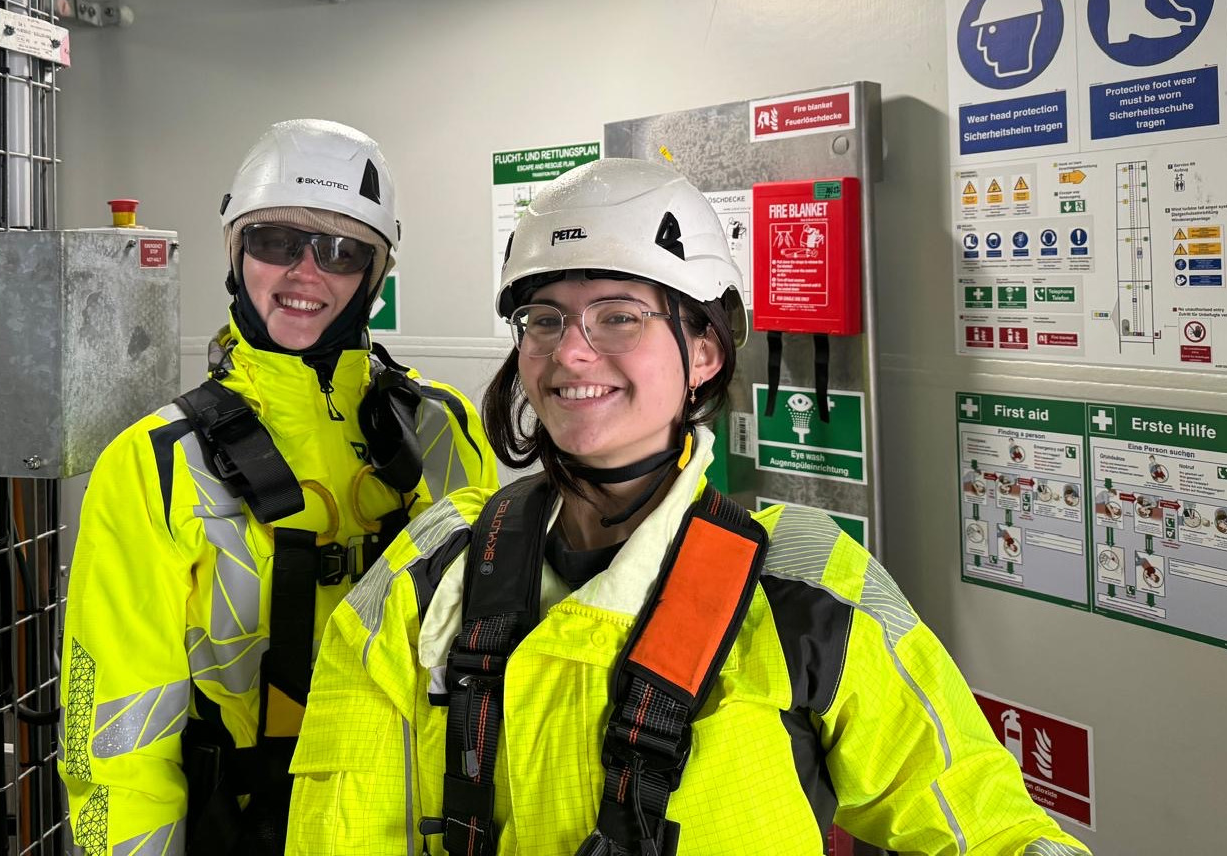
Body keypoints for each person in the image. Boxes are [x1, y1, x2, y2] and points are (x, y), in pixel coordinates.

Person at [288, 158, 1090, 855]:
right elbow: (342, 824)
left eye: (619, 316)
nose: (570, 350)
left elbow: (981, 819)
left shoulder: (804, 582)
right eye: (544, 319)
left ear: (704, 351)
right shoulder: (431, 573)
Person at [58, 119, 498, 856]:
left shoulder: (441, 430)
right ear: (237, 254)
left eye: (340, 250)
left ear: (374, 273)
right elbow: (112, 739)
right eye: (275, 243)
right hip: (250, 824)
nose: (305, 273)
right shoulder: (158, 465)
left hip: (422, 823)